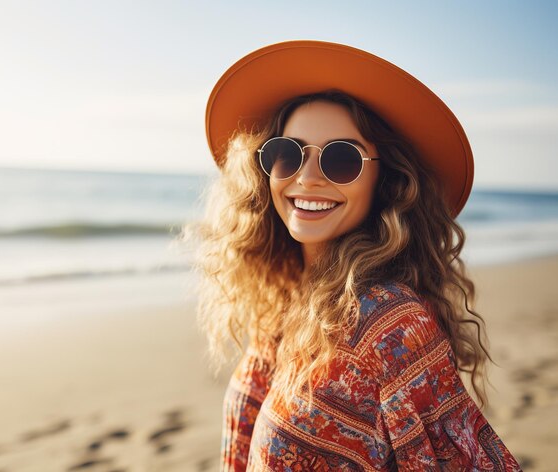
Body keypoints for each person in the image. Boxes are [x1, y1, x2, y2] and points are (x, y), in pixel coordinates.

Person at [181, 40, 522, 470]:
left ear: (386, 179)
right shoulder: (287, 300)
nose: (306, 177)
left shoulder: (388, 323)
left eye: (341, 159)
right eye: (287, 153)